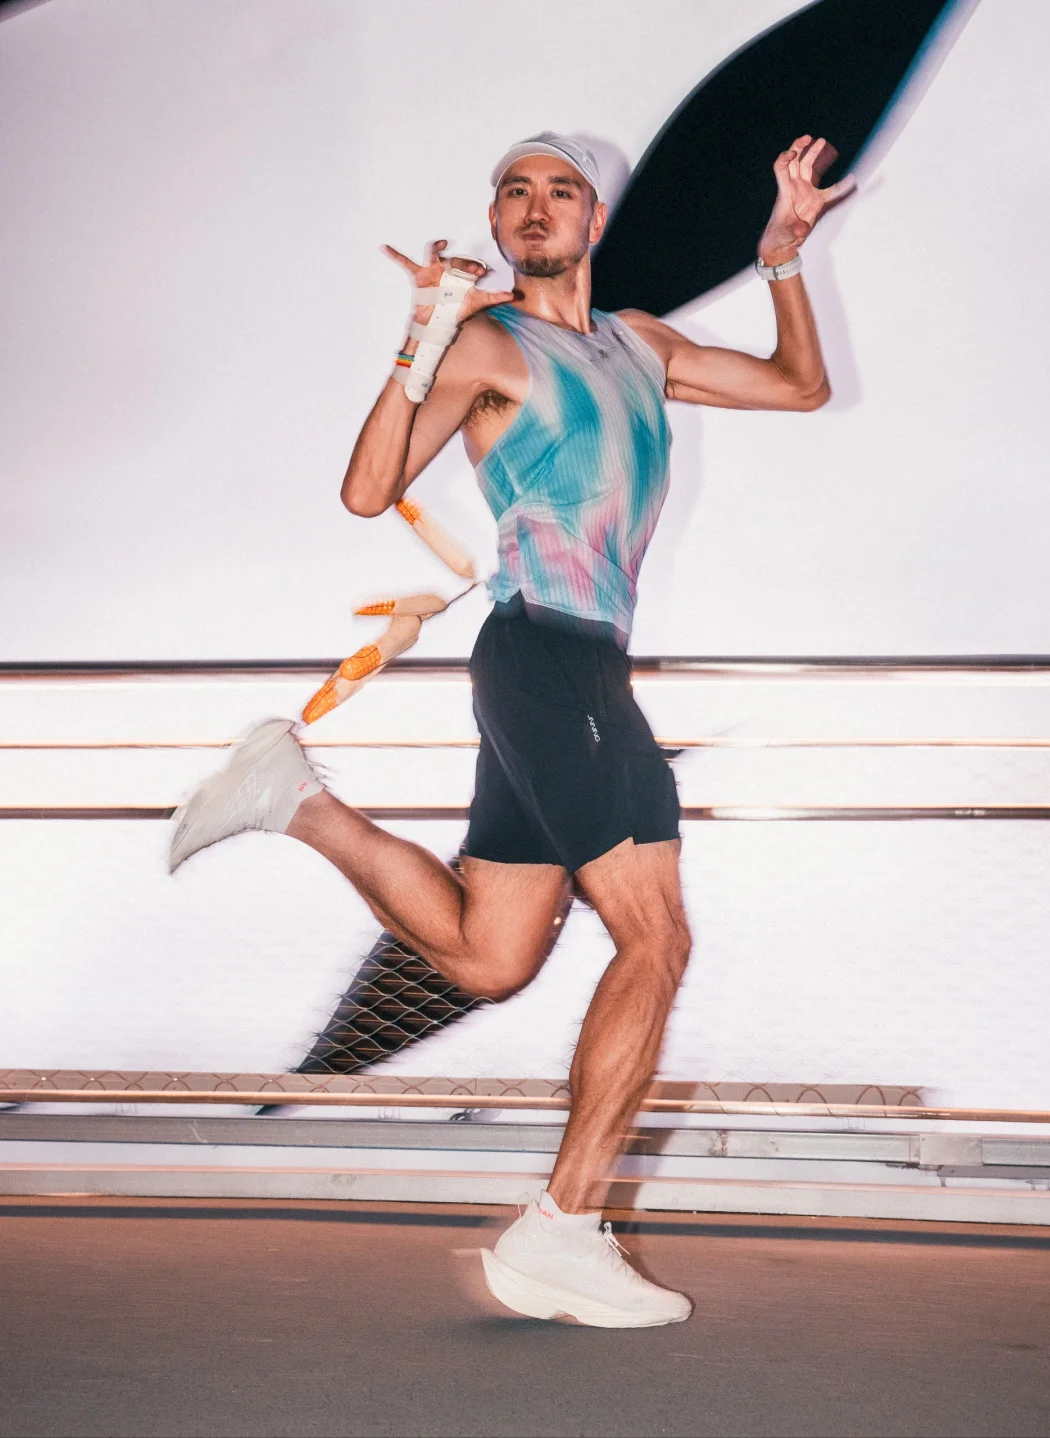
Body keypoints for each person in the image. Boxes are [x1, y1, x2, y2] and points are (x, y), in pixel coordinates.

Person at [170, 130, 849, 1327]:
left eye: (560, 189)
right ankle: (564, 1226)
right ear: (496, 226)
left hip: (569, 671)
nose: (536, 205)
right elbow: (368, 491)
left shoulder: (640, 343)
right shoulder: (490, 345)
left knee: (491, 958)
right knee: (655, 939)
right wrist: (423, 336)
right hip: (544, 655)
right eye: (514, 191)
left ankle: (296, 798)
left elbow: (800, 386)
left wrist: (783, 254)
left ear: (595, 220)